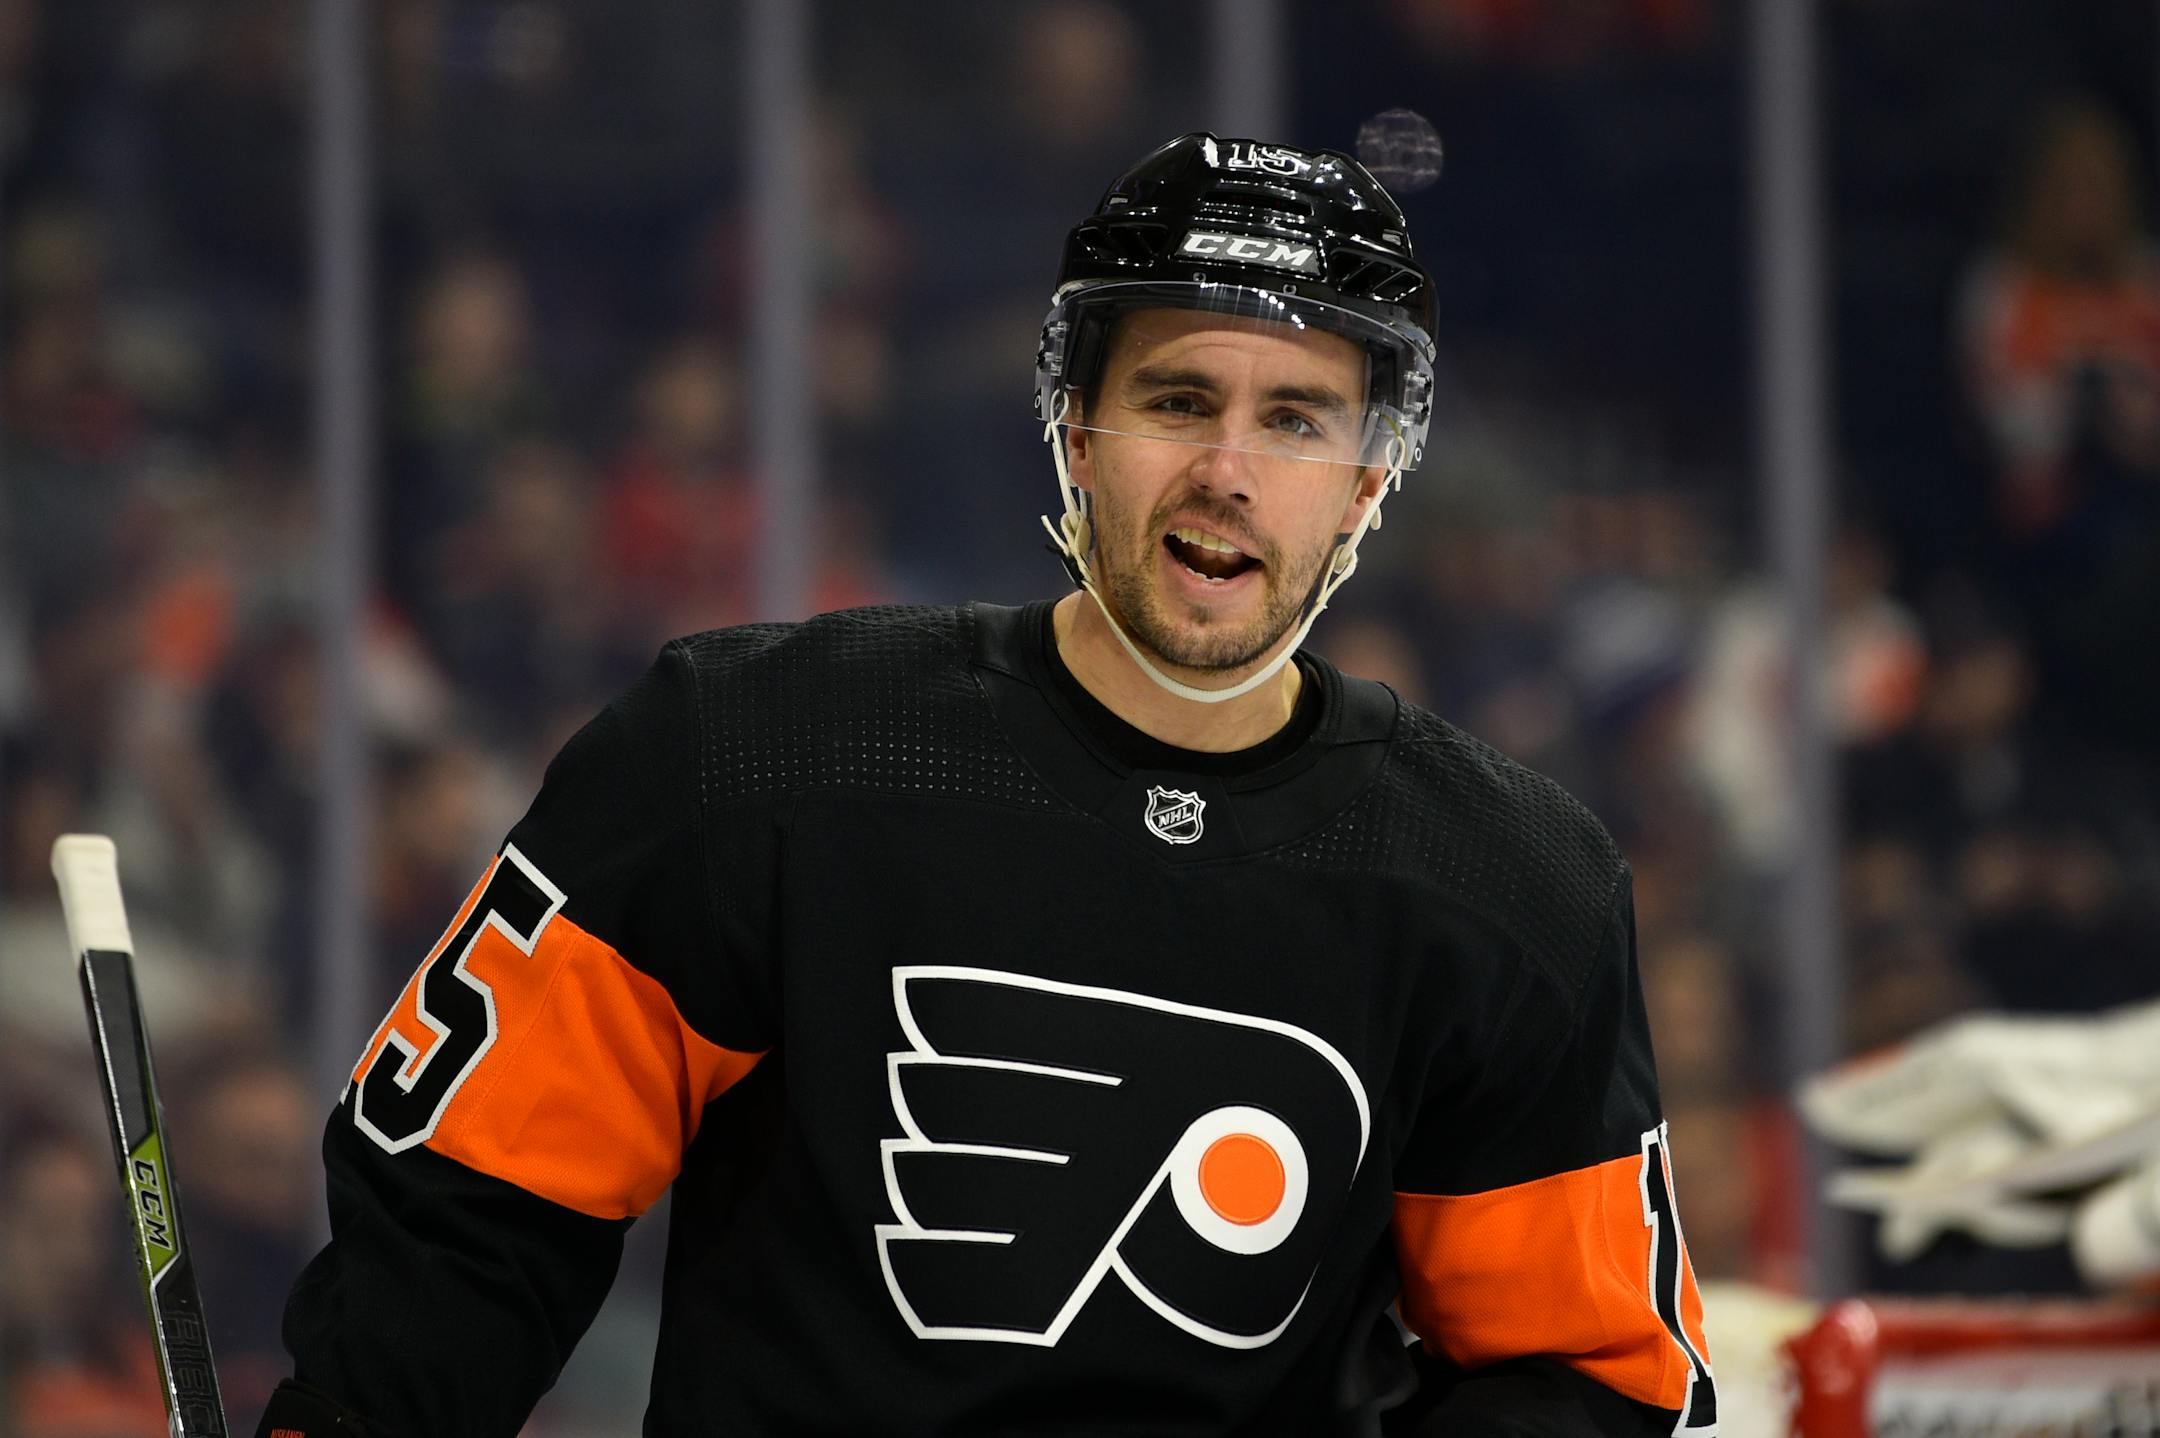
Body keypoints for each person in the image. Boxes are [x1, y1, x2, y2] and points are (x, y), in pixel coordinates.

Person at [256, 132, 1716, 1437]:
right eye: (1177, 397)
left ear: (1372, 476)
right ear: (1074, 425)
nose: (1227, 470)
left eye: (1297, 419)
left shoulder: (1511, 885)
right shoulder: (754, 753)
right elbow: (478, 1200)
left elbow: (1584, 1375)